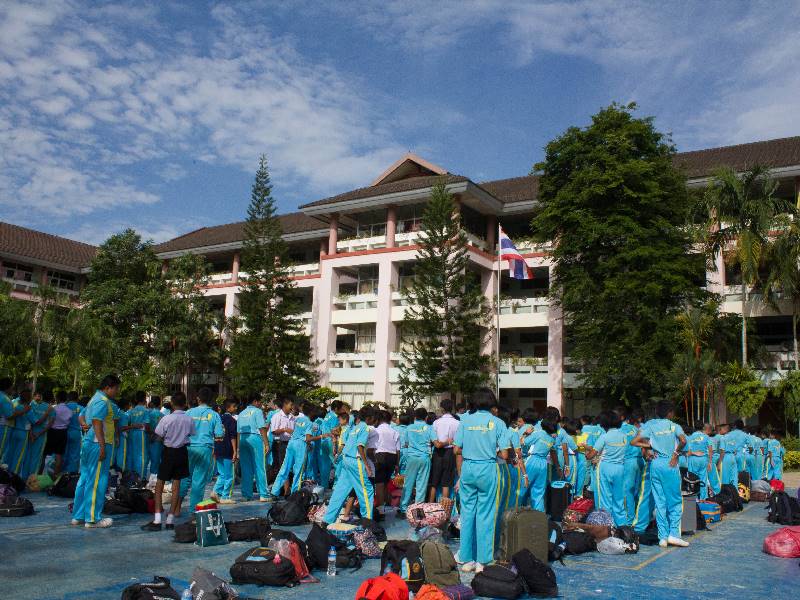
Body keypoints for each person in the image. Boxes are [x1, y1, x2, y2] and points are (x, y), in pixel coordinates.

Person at [454, 388, 507, 574]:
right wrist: (490, 451)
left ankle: (466, 559)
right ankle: (483, 561)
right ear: (491, 402)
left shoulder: (465, 420)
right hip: (487, 468)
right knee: (486, 514)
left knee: (467, 513)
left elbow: (456, 450)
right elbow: (505, 454)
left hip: (468, 468)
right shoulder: (498, 422)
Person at [631, 401, 688, 548]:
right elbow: (683, 440)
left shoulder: (651, 426)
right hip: (670, 463)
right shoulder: (674, 426)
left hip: (655, 465)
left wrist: (651, 445)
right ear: (670, 413)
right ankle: (674, 535)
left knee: (660, 501)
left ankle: (662, 537)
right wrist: (675, 454)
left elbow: (634, 441)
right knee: (675, 501)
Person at [71, 375, 121, 528]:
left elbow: (81, 416)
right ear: (108, 387)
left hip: (89, 443)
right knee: (97, 481)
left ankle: (79, 515)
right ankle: (92, 518)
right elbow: (97, 422)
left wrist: (84, 425)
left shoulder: (93, 399)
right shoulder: (103, 401)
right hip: (98, 443)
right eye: (116, 388)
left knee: (85, 479)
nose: (117, 392)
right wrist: (102, 446)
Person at [141, 392, 195, 531]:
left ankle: (158, 520)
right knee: (176, 485)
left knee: (160, 484)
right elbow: (191, 434)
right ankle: (170, 520)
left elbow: (158, 435)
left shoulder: (166, 419)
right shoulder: (189, 419)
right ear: (185, 404)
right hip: (182, 452)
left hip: (169, 452)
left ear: (172, 404)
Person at [323, 409, 374, 524]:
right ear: (369, 418)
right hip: (356, 462)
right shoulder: (364, 427)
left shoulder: (354, 428)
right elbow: (360, 447)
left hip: (346, 460)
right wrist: (367, 466)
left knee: (340, 491)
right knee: (366, 490)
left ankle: (327, 520)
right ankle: (368, 523)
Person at [179, 387, 224, 512]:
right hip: (205, 449)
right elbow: (219, 435)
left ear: (198, 398)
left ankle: (176, 507)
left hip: (188, 448)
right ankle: (194, 511)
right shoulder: (214, 415)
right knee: (198, 481)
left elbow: (182, 430)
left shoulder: (188, 412)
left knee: (184, 478)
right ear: (211, 400)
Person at [271, 400, 325, 497]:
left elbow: (297, 432)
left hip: (291, 443)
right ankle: (294, 493)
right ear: (311, 412)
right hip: (300, 446)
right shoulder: (310, 423)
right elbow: (308, 439)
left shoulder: (299, 419)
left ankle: (274, 491)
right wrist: (322, 436)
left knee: (284, 468)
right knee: (299, 471)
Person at [585, 411, 628, 527]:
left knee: (604, 499)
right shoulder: (624, 436)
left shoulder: (604, 437)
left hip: (605, 468)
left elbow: (591, 455)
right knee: (619, 499)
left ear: (604, 424)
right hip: (620, 468)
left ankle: (606, 527)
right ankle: (622, 527)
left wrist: (587, 453)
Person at [399, 407, 438, 517]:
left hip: (411, 458)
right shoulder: (429, 428)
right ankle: (417, 512)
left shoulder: (409, 428)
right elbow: (435, 442)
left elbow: (405, 443)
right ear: (426, 417)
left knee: (408, 483)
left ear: (415, 417)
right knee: (421, 485)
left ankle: (403, 509)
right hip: (424, 458)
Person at [237, 395, 270, 502]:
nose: (261, 404)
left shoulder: (241, 413)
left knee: (246, 468)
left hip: (242, 439)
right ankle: (263, 494)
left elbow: (238, 432)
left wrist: (237, 448)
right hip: (254, 438)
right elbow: (262, 428)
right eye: (260, 402)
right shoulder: (257, 411)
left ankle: (246, 494)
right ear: (255, 401)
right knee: (260, 467)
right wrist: (266, 443)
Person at [430, 398, 460, 501]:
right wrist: (449, 442)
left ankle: (430, 505)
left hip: (438, 453)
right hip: (451, 452)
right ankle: (444, 508)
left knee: (434, 482)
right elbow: (458, 440)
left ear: (442, 408)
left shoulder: (436, 422)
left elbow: (434, 441)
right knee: (446, 482)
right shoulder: (457, 423)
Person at [524, 419, 558, 512]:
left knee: (523, 487)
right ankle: (539, 515)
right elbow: (553, 452)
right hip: (543, 464)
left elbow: (524, 442)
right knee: (539, 491)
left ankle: (516, 513)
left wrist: (526, 433)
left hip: (533, 460)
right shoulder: (552, 439)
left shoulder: (539, 433)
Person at [212, 398, 239, 503]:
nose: (236, 408)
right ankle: (225, 496)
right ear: (228, 408)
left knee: (222, 474)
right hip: (228, 450)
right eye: (234, 406)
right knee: (230, 476)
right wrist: (235, 451)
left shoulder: (218, 419)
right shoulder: (232, 421)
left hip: (218, 449)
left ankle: (215, 492)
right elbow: (233, 437)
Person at [374, 409, 399, 518]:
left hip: (380, 456)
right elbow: (398, 450)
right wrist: (397, 464)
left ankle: (381, 511)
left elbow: (372, 447)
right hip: (392, 457)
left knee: (379, 484)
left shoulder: (376, 430)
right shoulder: (394, 431)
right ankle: (388, 504)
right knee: (385, 482)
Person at [23, 390, 53, 479]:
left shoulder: (31, 406)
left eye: (39, 396)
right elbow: (49, 424)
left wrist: (32, 433)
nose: (38, 398)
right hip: (38, 435)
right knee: (35, 457)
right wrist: (37, 434)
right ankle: (30, 479)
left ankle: (26, 478)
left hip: (33, 434)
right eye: (37, 396)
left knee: (29, 456)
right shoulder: (50, 408)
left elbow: (29, 421)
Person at [269, 398, 295, 491]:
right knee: (282, 467)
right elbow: (274, 431)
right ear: (285, 405)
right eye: (290, 405)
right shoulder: (277, 416)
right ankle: (283, 490)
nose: (292, 407)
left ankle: (287, 489)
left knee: (289, 467)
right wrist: (284, 429)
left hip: (290, 443)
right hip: (280, 444)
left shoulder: (292, 417)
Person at [5, 390, 33, 476]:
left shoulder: (15, 406)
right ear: (29, 398)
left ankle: (5, 472)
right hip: (23, 433)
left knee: (9, 453)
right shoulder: (29, 409)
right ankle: (14, 475)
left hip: (13, 431)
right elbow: (34, 421)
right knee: (19, 456)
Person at [44, 390, 72, 476]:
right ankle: (55, 476)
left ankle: (43, 475)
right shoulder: (69, 411)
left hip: (52, 432)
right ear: (66, 399)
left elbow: (49, 421)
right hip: (63, 433)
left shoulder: (54, 408)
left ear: (57, 398)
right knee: (59, 455)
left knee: (46, 454)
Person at [316, 400, 342, 490]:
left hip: (323, 442)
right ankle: (336, 486)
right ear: (336, 408)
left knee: (325, 466)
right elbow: (333, 431)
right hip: (331, 442)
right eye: (341, 408)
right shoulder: (335, 417)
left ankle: (324, 486)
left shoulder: (327, 415)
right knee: (337, 464)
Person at [685, 423, 712, 500]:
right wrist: (709, 462)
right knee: (703, 479)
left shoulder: (690, 438)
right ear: (703, 428)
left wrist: (694, 453)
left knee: (692, 479)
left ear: (694, 427)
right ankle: (703, 499)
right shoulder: (706, 437)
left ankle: (694, 499)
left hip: (693, 459)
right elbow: (710, 450)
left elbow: (687, 452)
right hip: (703, 459)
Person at [127, 391, 151, 479]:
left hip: (131, 434)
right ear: (144, 399)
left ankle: (131, 476)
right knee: (142, 456)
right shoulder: (145, 411)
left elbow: (128, 423)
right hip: (141, 435)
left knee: (132, 454)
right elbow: (147, 425)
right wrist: (150, 433)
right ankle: (140, 477)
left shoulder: (131, 411)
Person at [63, 391, 83, 473]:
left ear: (68, 398)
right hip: (76, 433)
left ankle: (61, 473)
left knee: (63, 452)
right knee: (74, 454)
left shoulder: (63, 407)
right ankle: (71, 474)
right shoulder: (81, 408)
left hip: (64, 432)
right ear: (77, 398)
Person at [0, 378, 16, 462]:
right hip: (4, 427)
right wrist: (22, 411)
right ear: (8, 387)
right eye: (11, 387)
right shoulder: (5, 399)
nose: (12, 389)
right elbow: (9, 416)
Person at [148, 396, 165, 475]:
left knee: (151, 459)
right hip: (159, 440)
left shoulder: (148, 414)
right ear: (160, 403)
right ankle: (156, 477)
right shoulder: (162, 415)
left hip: (149, 438)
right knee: (157, 460)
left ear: (152, 403)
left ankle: (151, 476)